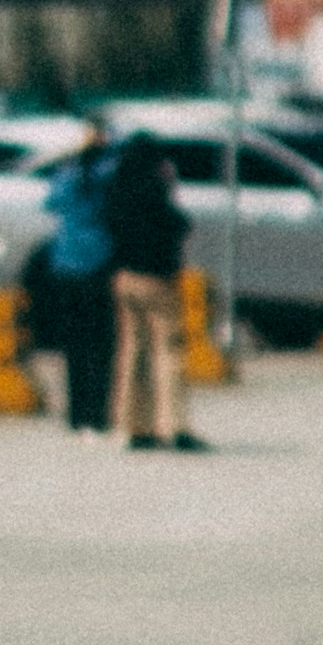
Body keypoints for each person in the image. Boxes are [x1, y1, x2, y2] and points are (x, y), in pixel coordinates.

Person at [103, 129, 195, 452]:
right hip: (157, 279)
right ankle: (174, 425)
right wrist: (170, 186)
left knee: (132, 352)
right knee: (167, 351)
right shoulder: (155, 187)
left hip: (125, 277)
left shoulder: (116, 187)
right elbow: (178, 223)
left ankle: (134, 424)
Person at [37, 146, 119, 429]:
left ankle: (76, 413)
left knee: (74, 345)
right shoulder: (105, 179)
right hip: (98, 264)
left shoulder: (67, 177)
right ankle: (98, 413)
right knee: (100, 344)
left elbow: (49, 203)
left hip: (66, 265)